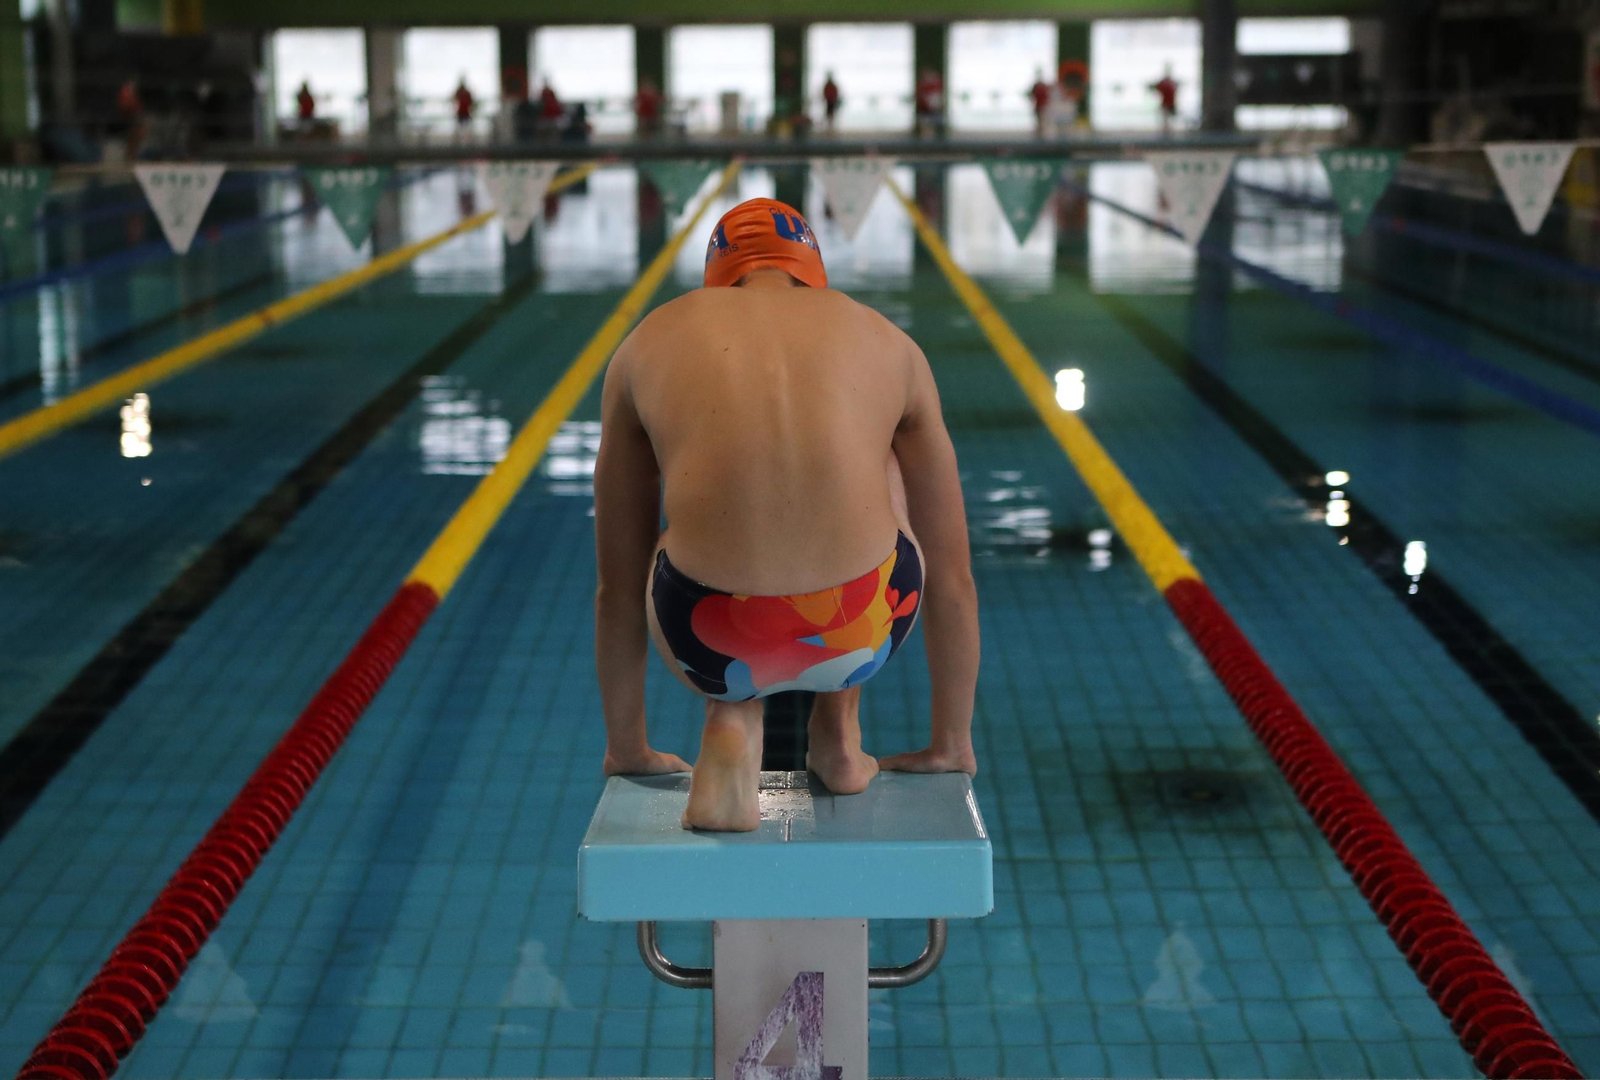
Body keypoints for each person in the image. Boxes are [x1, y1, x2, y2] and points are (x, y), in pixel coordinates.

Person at [593, 199, 980, 833]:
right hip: (864, 627)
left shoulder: (647, 343)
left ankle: (733, 717)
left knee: (671, 534)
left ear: (718, 275)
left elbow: (615, 584)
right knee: (875, 466)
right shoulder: (885, 339)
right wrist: (951, 743)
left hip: (703, 636)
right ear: (811, 270)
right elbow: (955, 576)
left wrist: (627, 747)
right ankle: (838, 737)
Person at [1150, 65, 1178, 135]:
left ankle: (1167, 130)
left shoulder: (1170, 83)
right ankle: (1166, 131)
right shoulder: (1169, 83)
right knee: (1166, 118)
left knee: (1168, 118)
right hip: (1166, 103)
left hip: (1169, 103)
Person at [1029, 68, 1050, 136]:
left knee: (1043, 119)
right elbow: (1032, 95)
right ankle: (1039, 131)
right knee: (1038, 119)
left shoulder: (1044, 86)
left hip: (1043, 106)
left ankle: (1042, 131)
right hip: (1038, 106)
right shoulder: (1036, 86)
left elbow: (1047, 96)